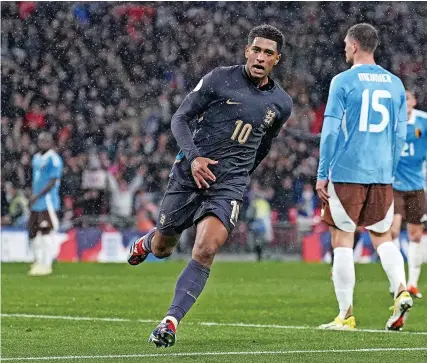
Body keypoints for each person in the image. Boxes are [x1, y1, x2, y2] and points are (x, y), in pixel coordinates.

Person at [127, 24, 292, 347]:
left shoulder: (281, 104)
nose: (260, 57)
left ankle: (169, 322)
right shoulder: (219, 79)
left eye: (268, 53)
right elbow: (180, 118)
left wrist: (240, 174)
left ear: (277, 59)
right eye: (256, 50)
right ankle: (147, 242)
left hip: (228, 185)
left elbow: (264, 145)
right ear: (246, 51)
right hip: (190, 175)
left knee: (205, 249)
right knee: (164, 248)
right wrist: (194, 158)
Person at [316, 23, 411, 331]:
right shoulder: (395, 84)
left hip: (347, 171)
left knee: (342, 238)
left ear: (355, 45)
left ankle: (346, 315)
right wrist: (391, 168)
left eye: (346, 43)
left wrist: (322, 173)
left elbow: (330, 131)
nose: (344, 48)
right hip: (382, 172)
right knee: (382, 236)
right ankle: (400, 287)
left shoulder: (343, 81)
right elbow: (400, 133)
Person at [391, 89, 427, 299]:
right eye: (401, 100)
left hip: (416, 186)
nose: (404, 104)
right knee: (394, 231)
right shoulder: (390, 122)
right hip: (394, 185)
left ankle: (412, 284)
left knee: (415, 235)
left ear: (414, 101)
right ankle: (398, 282)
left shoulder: (423, 121)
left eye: (407, 99)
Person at [28, 132, 63, 276]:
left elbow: (53, 181)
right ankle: (37, 261)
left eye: (46, 141)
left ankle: (46, 264)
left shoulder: (54, 159)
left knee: (46, 231)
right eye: (41, 140)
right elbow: (36, 179)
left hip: (47, 201)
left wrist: (37, 195)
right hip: (36, 202)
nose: (43, 143)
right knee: (32, 231)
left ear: (51, 143)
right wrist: (32, 194)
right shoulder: (36, 158)